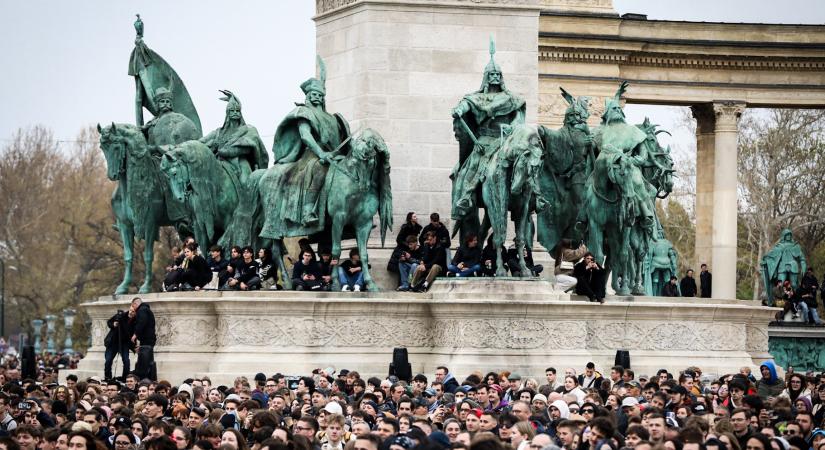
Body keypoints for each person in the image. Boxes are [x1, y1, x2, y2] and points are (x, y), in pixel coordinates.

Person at [130, 297, 156, 381]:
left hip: (147, 339)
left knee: (145, 361)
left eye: (133, 306)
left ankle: (144, 378)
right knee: (148, 360)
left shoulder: (142, 310)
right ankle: (149, 378)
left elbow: (141, 323)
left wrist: (135, 334)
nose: (133, 308)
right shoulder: (145, 309)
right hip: (148, 339)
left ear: (135, 304)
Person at [103, 309, 132, 381]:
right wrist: (113, 324)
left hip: (124, 343)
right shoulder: (120, 315)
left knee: (126, 361)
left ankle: (125, 379)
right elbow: (109, 322)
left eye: (133, 312)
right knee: (108, 361)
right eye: (130, 311)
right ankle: (108, 378)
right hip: (113, 342)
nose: (131, 313)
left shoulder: (133, 320)